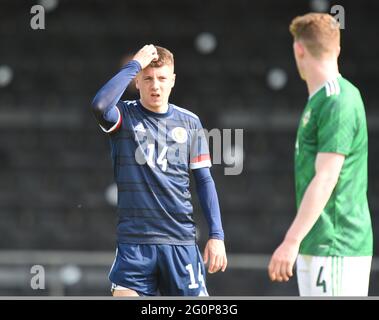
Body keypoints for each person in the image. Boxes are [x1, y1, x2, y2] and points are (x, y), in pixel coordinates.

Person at [92, 44, 227, 296]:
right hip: (135, 244)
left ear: (173, 81)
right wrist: (134, 64)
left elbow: (204, 181)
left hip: (180, 241)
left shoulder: (190, 122)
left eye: (162, 78)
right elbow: (100, 105)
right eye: (148, 78)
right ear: (137, 82)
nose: (156, 85)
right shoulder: (124, 116)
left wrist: (216, 235)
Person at [268, 13, 373, 296]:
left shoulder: (339, 100)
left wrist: (291, 240)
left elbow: (326, 177)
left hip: (336, 243)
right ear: (337, 48)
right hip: (319, 243)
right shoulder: (321, 99)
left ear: (298, 49)